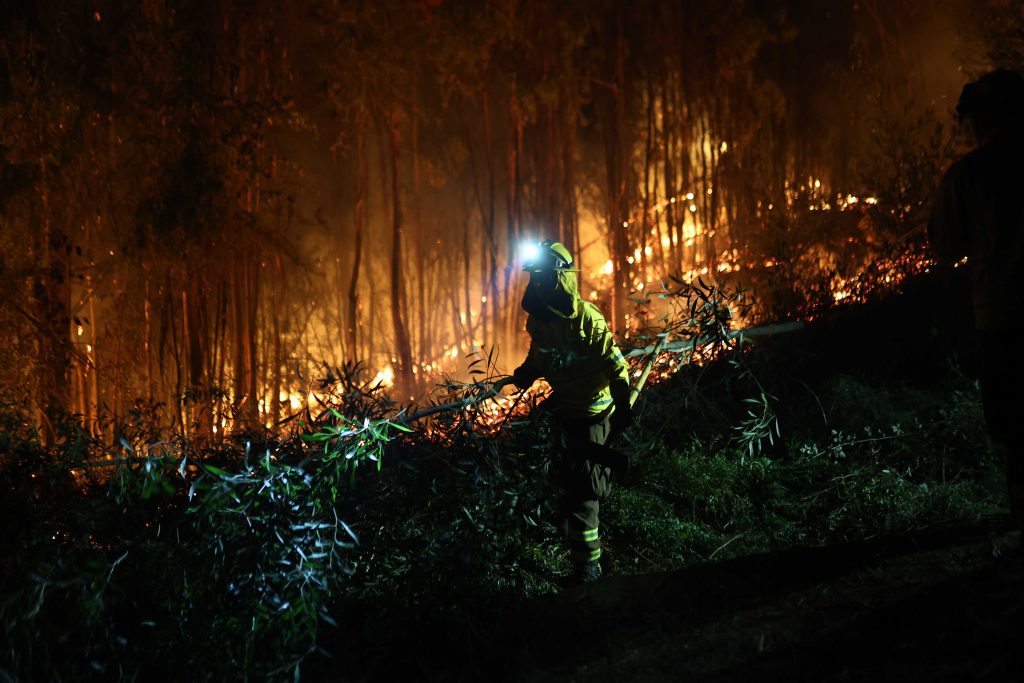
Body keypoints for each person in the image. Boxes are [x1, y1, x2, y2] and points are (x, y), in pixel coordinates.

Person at [496, 240, 632, 583]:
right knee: (562, 477)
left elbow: (616, 366)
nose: (538, 283)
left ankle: (588, 568)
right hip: (564, 410)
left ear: (561, 278)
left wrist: (623, 404)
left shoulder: (587, 319)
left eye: (544, 276)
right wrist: (526, 373)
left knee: (584, 495)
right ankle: (568, 530)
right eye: (535, 277)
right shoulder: (539, 321)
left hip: (592, 414)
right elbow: (540, 355)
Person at [928, 68, 1024, 533]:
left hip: (1001, 318)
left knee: (1016, 435)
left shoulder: (968, 176)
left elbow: (944, 244)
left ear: (981, 120)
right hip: (1001, 317)